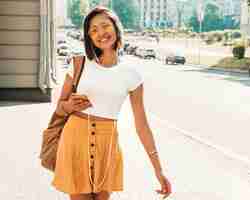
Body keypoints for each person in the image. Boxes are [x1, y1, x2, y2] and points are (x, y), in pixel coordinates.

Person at [51, 6, 172, 200]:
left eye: (105, 26)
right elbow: (59, 107)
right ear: (89, 37)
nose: (101, 33)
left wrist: (159, 170)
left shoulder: (132, 74)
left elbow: (142, 126)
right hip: (75, 140)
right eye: (93, 30)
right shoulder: (78, 64)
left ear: (116, 28)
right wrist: (69, 106)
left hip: (107, 145)